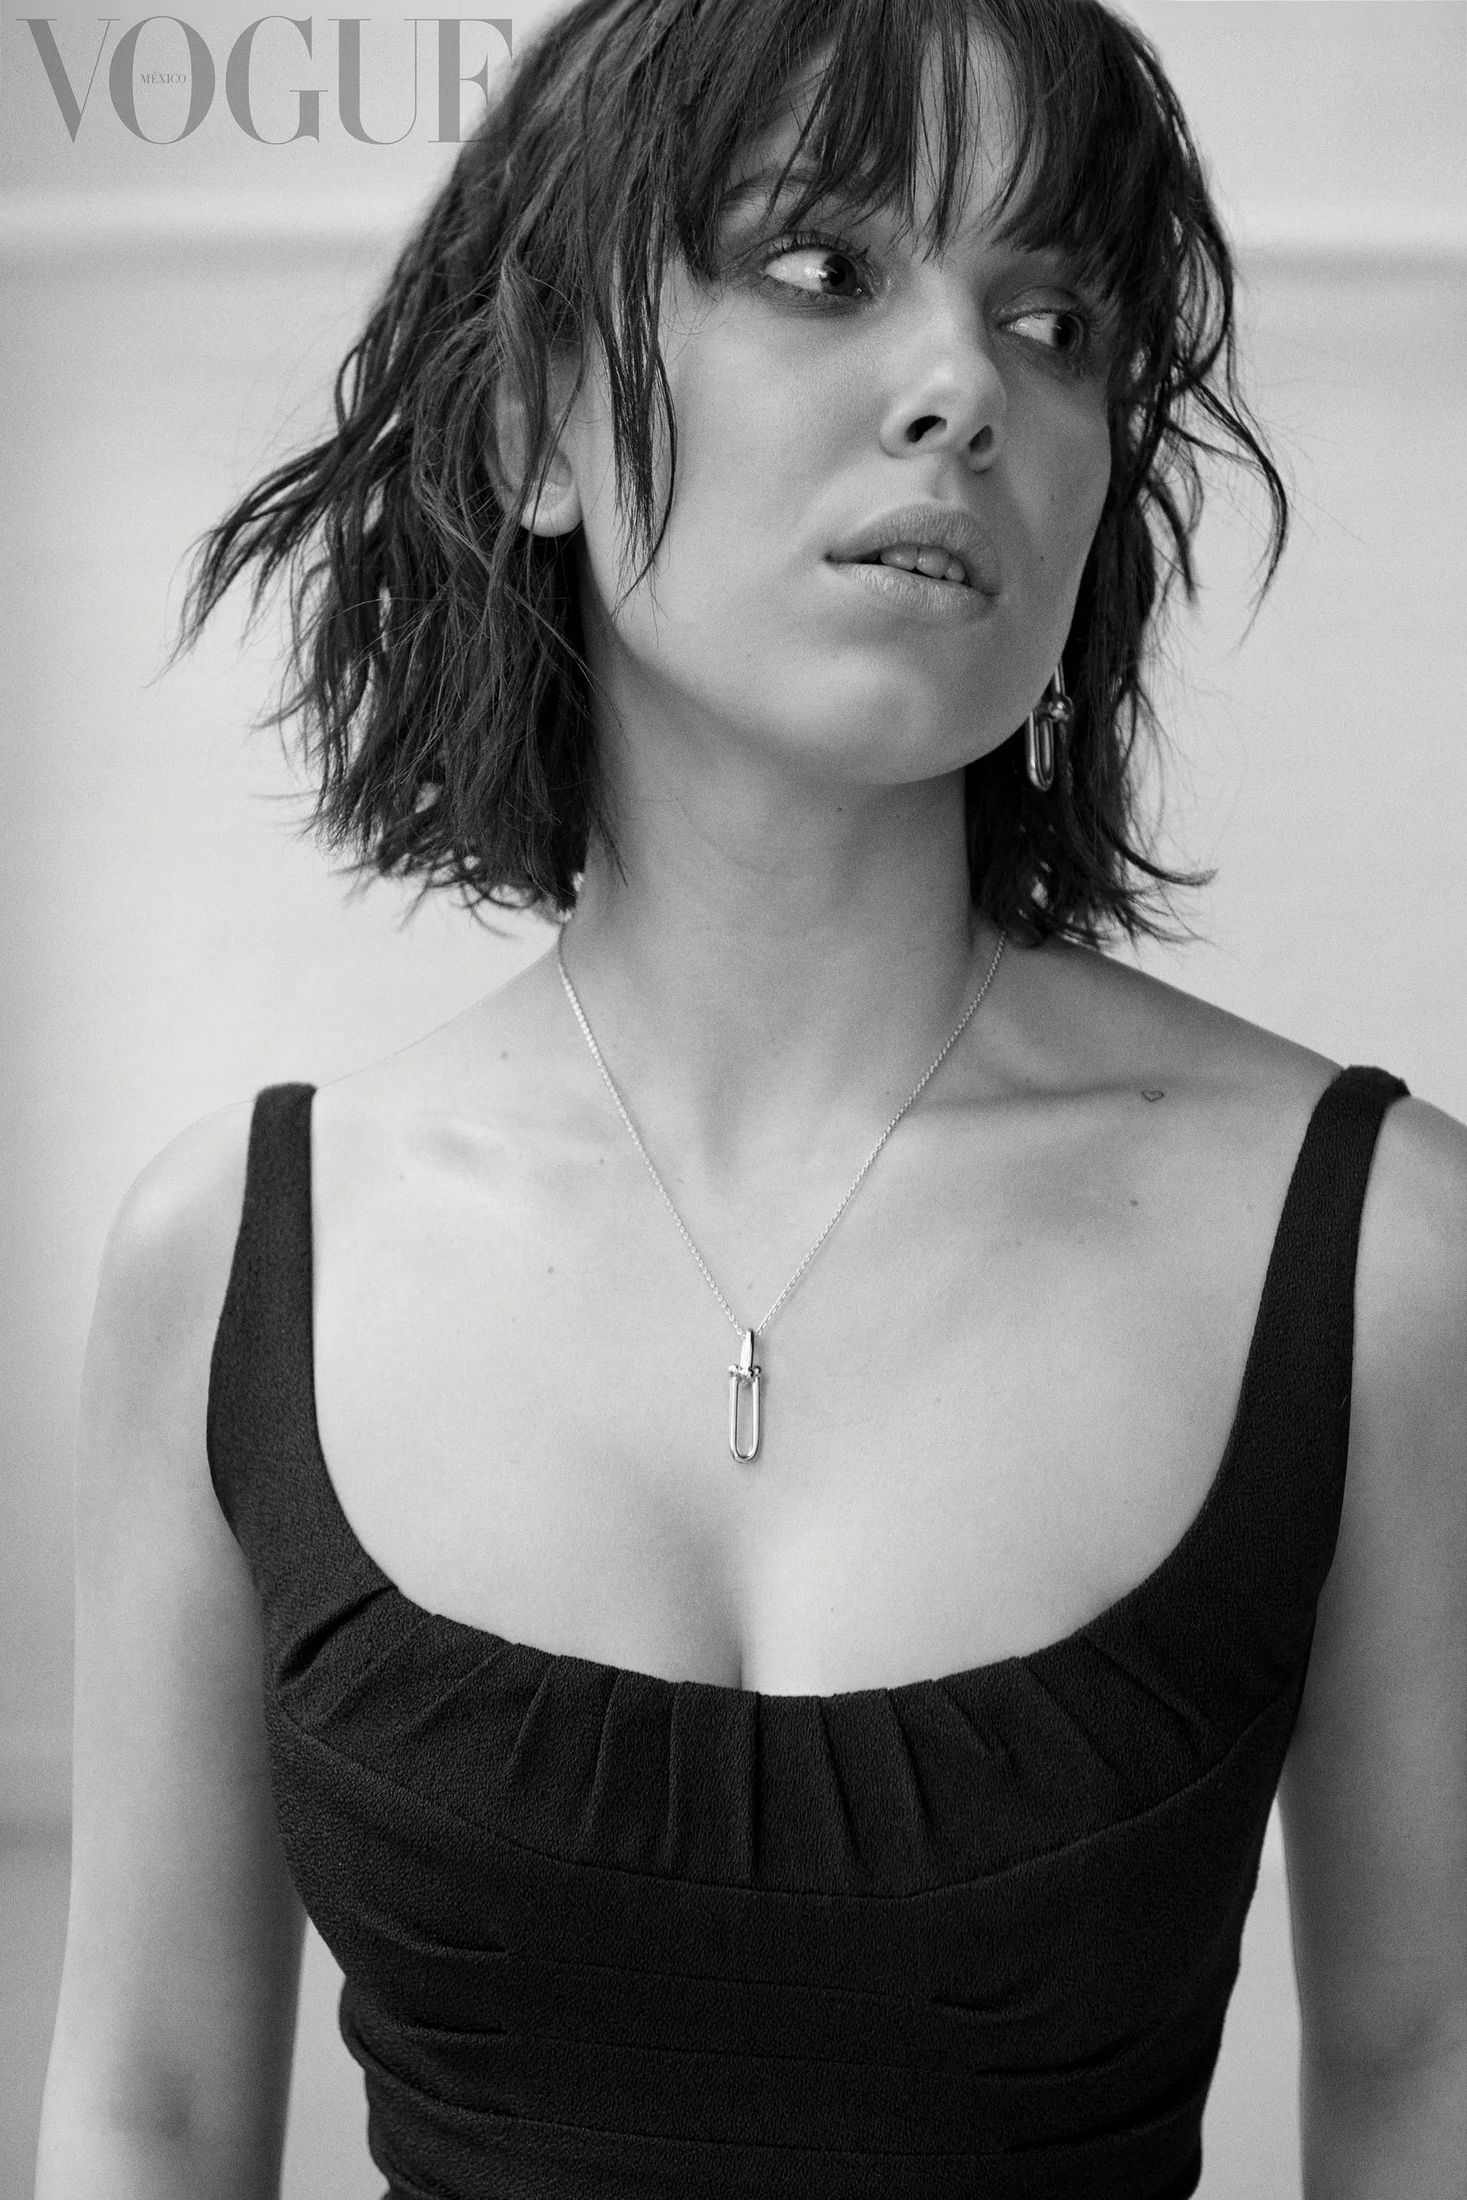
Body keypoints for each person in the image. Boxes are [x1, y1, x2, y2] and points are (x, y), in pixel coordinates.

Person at [37, 0, 1466, 2195]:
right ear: (533, 419)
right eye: (823, 267)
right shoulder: (233, 1252)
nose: (962, 385)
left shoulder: (1378, 1257)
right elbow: (145, 2106)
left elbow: (1424, 2074)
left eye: (1054, 320)